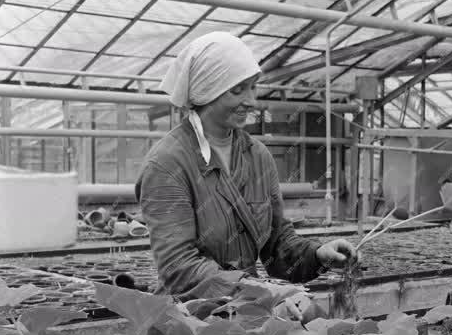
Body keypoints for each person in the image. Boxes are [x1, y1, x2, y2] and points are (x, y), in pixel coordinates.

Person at [135, 31, 357, 302]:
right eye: (237, 90)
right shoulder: (168, 164)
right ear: (207, 90)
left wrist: (317, 254)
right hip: (188, 321)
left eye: (253, 86)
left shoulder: (257, 156)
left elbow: (277, 245)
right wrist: (259, 290)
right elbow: (179, 268)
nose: (251, 100)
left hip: (248, 312)